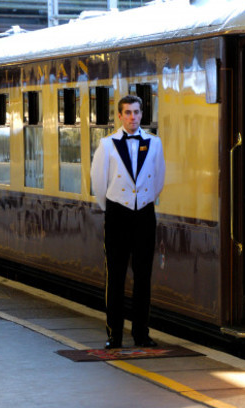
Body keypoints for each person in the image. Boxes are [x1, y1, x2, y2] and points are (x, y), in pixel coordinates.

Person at [90, 95, 165, 349]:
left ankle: (141, 333)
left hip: (144, 214)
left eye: (136, 112)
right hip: (117, 215)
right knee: (117, 276)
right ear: (119, 116)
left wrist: (143, 201)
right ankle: (115, 335)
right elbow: (99, 185)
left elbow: (158, 182)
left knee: (144, 277)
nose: (133, 117)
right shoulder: (107, 145)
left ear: (142, 115)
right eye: (128, 113)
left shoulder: (154, 143)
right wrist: (114, 206)